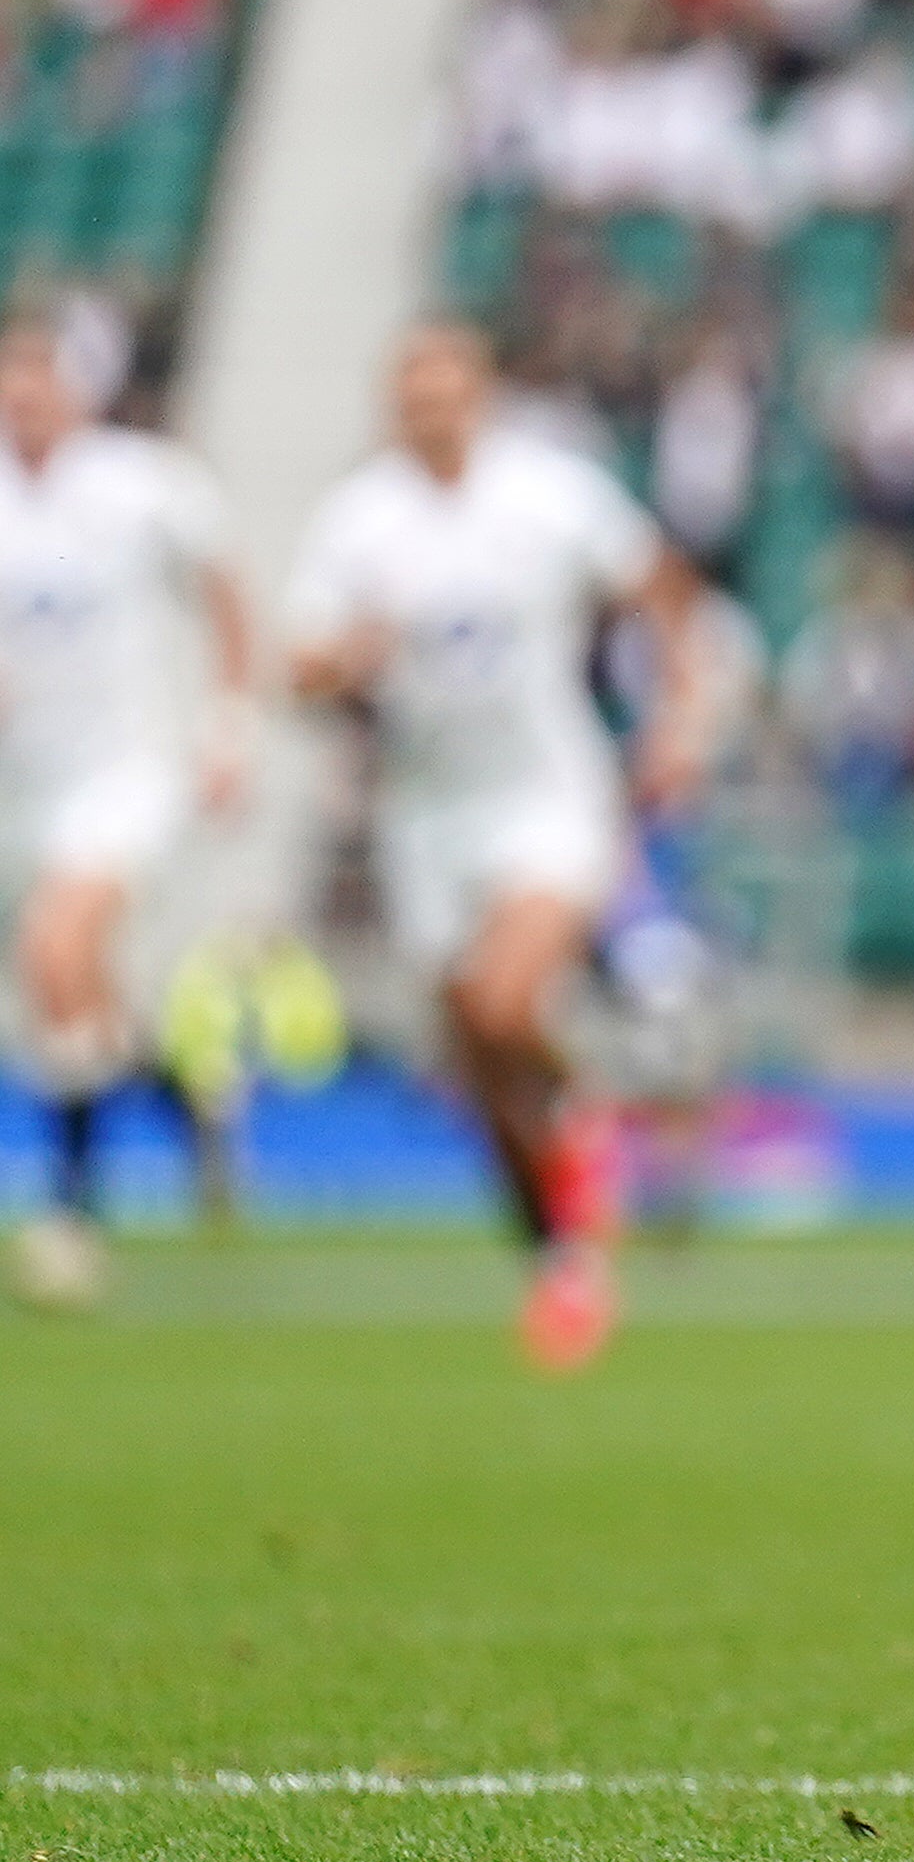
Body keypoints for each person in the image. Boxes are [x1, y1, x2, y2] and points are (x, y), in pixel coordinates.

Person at [286, 325, 712, 1370]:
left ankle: (596, 1108)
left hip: (547, 798)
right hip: (425, 819)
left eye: (449, 392)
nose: (433, 412)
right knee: (478, 1069)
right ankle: (561, 1257)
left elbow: (663, 590)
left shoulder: (550, 495)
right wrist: (347, 659)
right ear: (395, 407)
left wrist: (678, 719)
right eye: (414, 396)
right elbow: (301, 669)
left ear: (481, 396)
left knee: (503, 1000)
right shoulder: (360, 522)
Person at [0, 324, 256, 1307]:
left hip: (128, 770)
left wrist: (228, 727)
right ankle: (186, 1099)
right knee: (78, 999)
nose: (22, 400)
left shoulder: (144, 484)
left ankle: (73, 1213)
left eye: (38, 379)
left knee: (53, 951)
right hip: (27, 784)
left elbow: (227, 593)